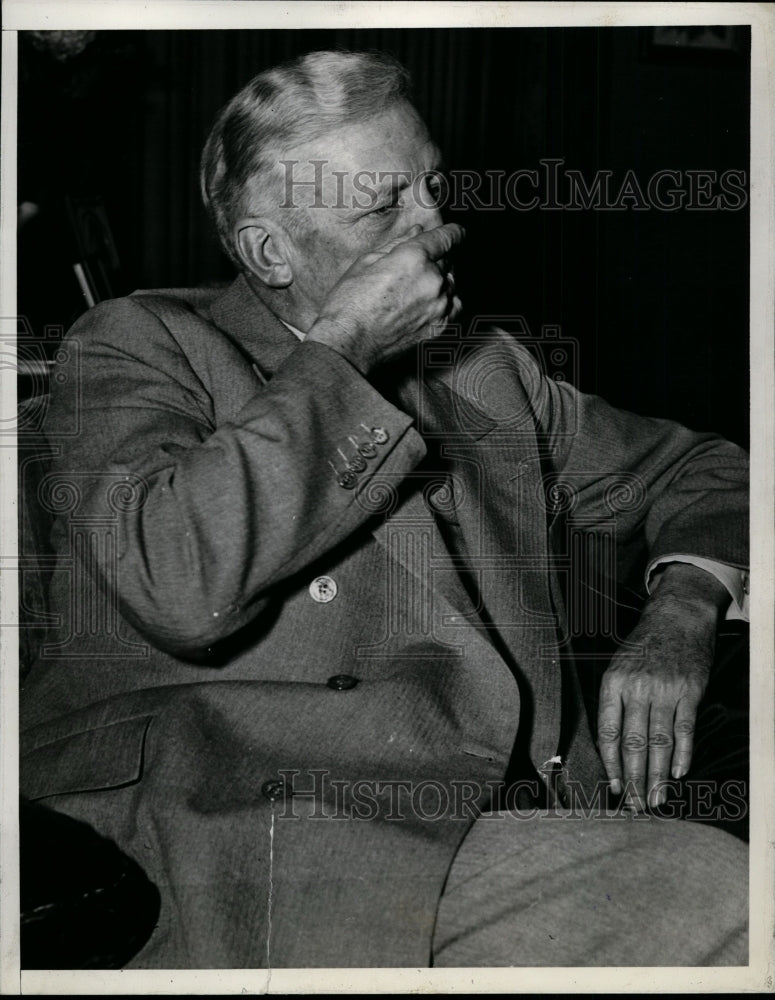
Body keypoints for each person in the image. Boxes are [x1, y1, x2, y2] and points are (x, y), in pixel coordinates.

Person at [20, 50, 749, 969]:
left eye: (432, 187)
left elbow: (712, 472)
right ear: (268, 253)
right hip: (255, 821)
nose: (437, 226)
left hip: (500, 811)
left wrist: (681, 612)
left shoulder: (480, 370)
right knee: (718, 902)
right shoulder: (136, 344)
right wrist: (343, 348)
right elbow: (178, 577)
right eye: (383, 206)